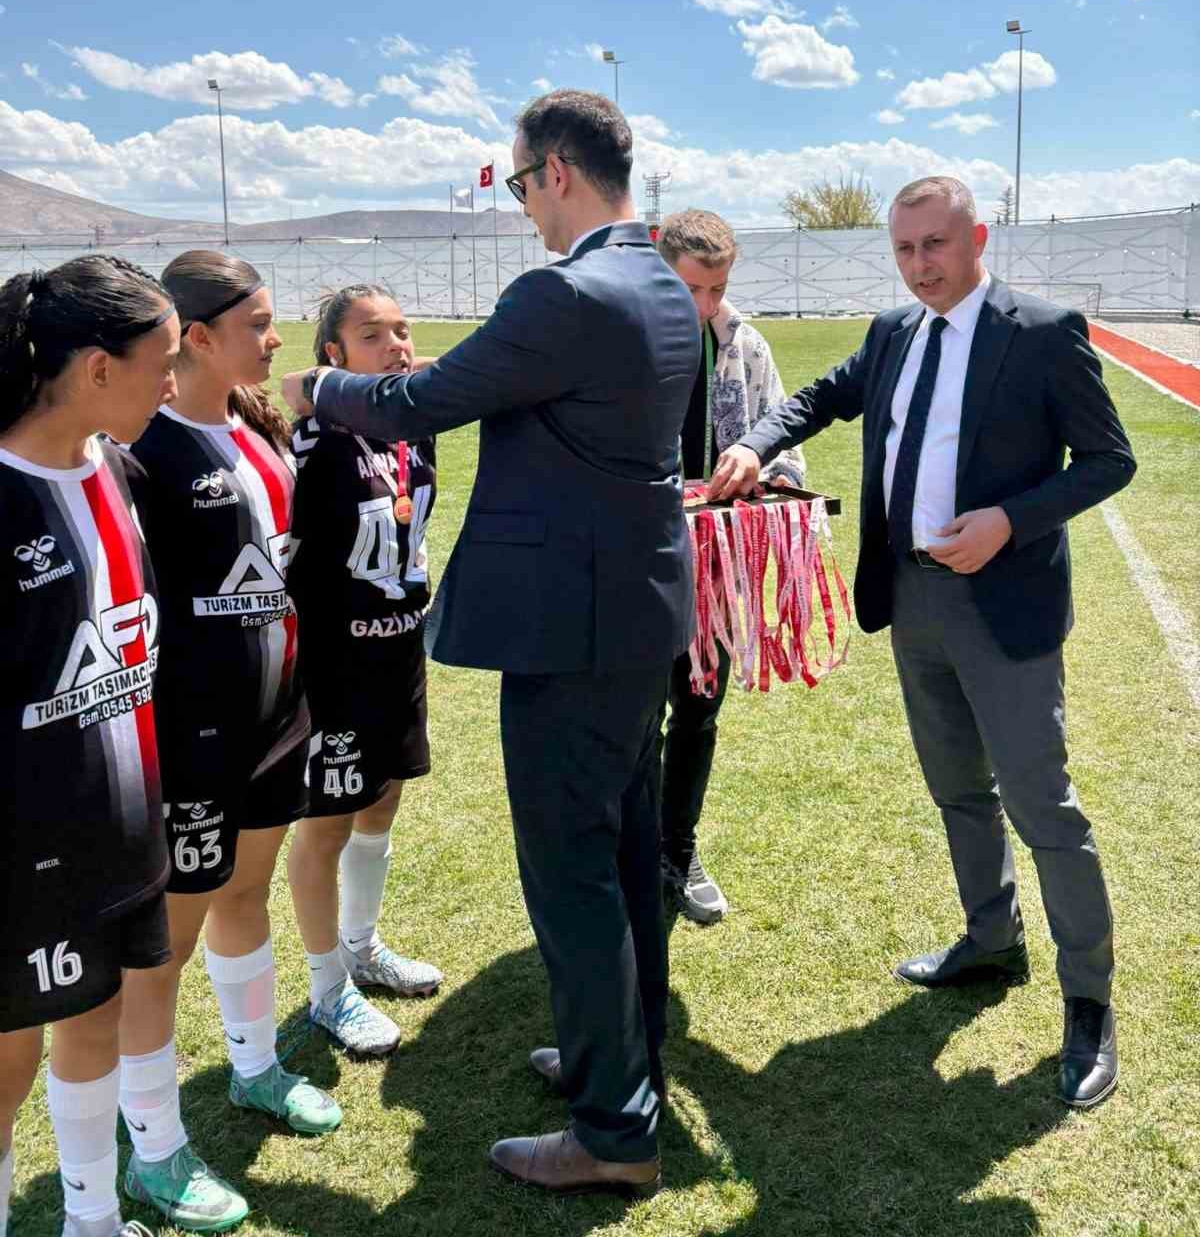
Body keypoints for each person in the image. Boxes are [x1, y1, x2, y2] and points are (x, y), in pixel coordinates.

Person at [282, 90, 698, 1199]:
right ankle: (623, 1063)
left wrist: (318, 385)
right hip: (633, 615)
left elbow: (424, 397)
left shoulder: (565, 292)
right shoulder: (657, 276)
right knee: (618, 852)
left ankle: (615, 1130)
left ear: (557, 171)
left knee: (572, 869)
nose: (520, 207)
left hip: (573, 626)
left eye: (519, 184)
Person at [709, 175, 1135, 1110]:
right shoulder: (892, 334)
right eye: (904, 251)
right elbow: (823, 396)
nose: (918, 267)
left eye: (934, 246)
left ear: (977, 238)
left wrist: (1009, 522)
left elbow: (1111, 460)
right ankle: (991, 939)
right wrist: (759, 440)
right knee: (956, 789)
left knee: (1044, 805)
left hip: (1005, 605)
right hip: (910, 598)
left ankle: (1090, 1001)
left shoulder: (1040, 331)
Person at [116, 253, 341, 1237]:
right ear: (195, 337)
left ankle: (255, 1068)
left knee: (247, 893)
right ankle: (153, 1148)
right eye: (256, 322)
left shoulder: (253, 424)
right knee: (165, 941)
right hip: (191, 734)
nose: (275, 337)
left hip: (275, 715)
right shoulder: (142, 450)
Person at [0, 256, 180, 1237]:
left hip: (124, 828)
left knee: (97, 1017)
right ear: (97, 368)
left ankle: (93, 1220)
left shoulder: (114, 464)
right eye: (162, 358)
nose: (174, 377)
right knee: (6, 1061)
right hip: (23, 853)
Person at [287, 283, 444, 1061]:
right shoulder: (315, 437)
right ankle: (326, 990)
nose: (396, 346)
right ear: (334, 356)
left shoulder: (412, 432)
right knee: (327, 822)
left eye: (403, 332)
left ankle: (360, 947)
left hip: (399, 648)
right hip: (334, 662)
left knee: (382, 801)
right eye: (372, 335)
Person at [654, 209, 806, 924]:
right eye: (692, 288)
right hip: (634, 570)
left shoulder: (745, 344)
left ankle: (678, 852)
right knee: (626, 722)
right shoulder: (622, 343)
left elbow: (786, 447)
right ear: (659, 263)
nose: (707, 305)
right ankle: (631, 854)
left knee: (697, 714)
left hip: (714, 569)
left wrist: (763, 475)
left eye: (718, 288)